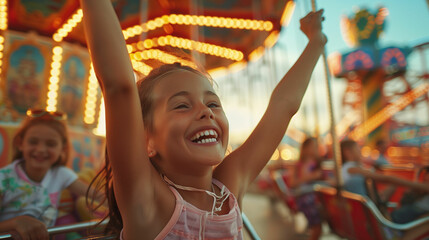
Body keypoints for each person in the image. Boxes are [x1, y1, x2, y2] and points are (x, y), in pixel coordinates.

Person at [81, 0, 327, 238]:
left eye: (212, 103)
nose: (205, 111)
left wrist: (316, 42)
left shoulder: (228, 187)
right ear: (147, 140)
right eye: (181, 105)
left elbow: (282, 107)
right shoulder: (147, 201)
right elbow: (119, 88)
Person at [0, 109, 93, 240]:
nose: (41, 149)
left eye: (51, 144)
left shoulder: (61, 174)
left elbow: (96, 195)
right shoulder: (4, 178)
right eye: (33, 142)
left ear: (62, 149)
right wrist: (16, 222)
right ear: (21, 144)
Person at [340, 140, 429, 207]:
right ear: (347, 152)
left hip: (366, 207)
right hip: (370, 210)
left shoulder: (345, 169)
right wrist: (419, 186)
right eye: (357, 148)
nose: (360, 151)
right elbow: (386, 178)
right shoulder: (352, 169)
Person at [289, 137, 325, 240]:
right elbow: (292, 183)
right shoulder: (301, 165)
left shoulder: (316, 164)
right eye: (313, 146)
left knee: (318, 227)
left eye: (316, 146)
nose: (315, 149)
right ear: (305, 148)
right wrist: (313, 176)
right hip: (305, 198)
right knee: (317, 227)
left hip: (314, 197)